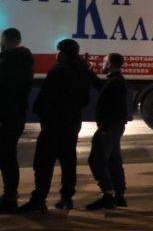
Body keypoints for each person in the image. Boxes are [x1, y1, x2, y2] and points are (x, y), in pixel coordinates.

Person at [19, 39, 100, 213]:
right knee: (68, 161)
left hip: (54, 123)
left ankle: (39, 199)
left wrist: (38, 110)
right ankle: (66, 198)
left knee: (43, 163)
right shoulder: (83, 69)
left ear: (62, 52)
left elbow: (46, 97)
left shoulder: (58, 70)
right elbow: (96, 88)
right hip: (72, 122)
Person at [86, 53, 129, 211]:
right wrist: (89, 72)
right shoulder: (116, 80)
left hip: (109, 127)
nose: (102, 64)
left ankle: (107, 194)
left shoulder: (115, 82)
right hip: (114, 126)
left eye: (104, 61)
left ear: (110, 63)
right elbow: (101, 87)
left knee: (96, 159)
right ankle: (119, 195)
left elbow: (109, 103)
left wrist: (104, 126)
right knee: (113, 159)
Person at [0, 28, 34, 212]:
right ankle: (10, 194)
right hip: (16, 116)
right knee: (8, 156)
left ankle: (10, 197)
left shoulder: (7, 63)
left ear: (5, 41)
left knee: (6, 158)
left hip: (5, 117)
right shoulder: (24, 61)